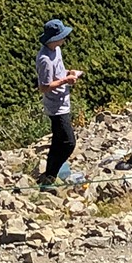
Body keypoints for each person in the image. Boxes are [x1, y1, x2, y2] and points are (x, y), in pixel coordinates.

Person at [35, 18, 84, 185]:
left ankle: (49, 174)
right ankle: (51, 175)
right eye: (62, 36)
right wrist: (66, 81)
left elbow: (59, 72)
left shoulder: (56, 50)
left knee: (58, 140)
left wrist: (69, 73)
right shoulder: (45, 60)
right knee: (69, 142)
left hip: (63, 100)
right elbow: (44, 86)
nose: (65, 39)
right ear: (54, 39)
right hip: (56, 106)